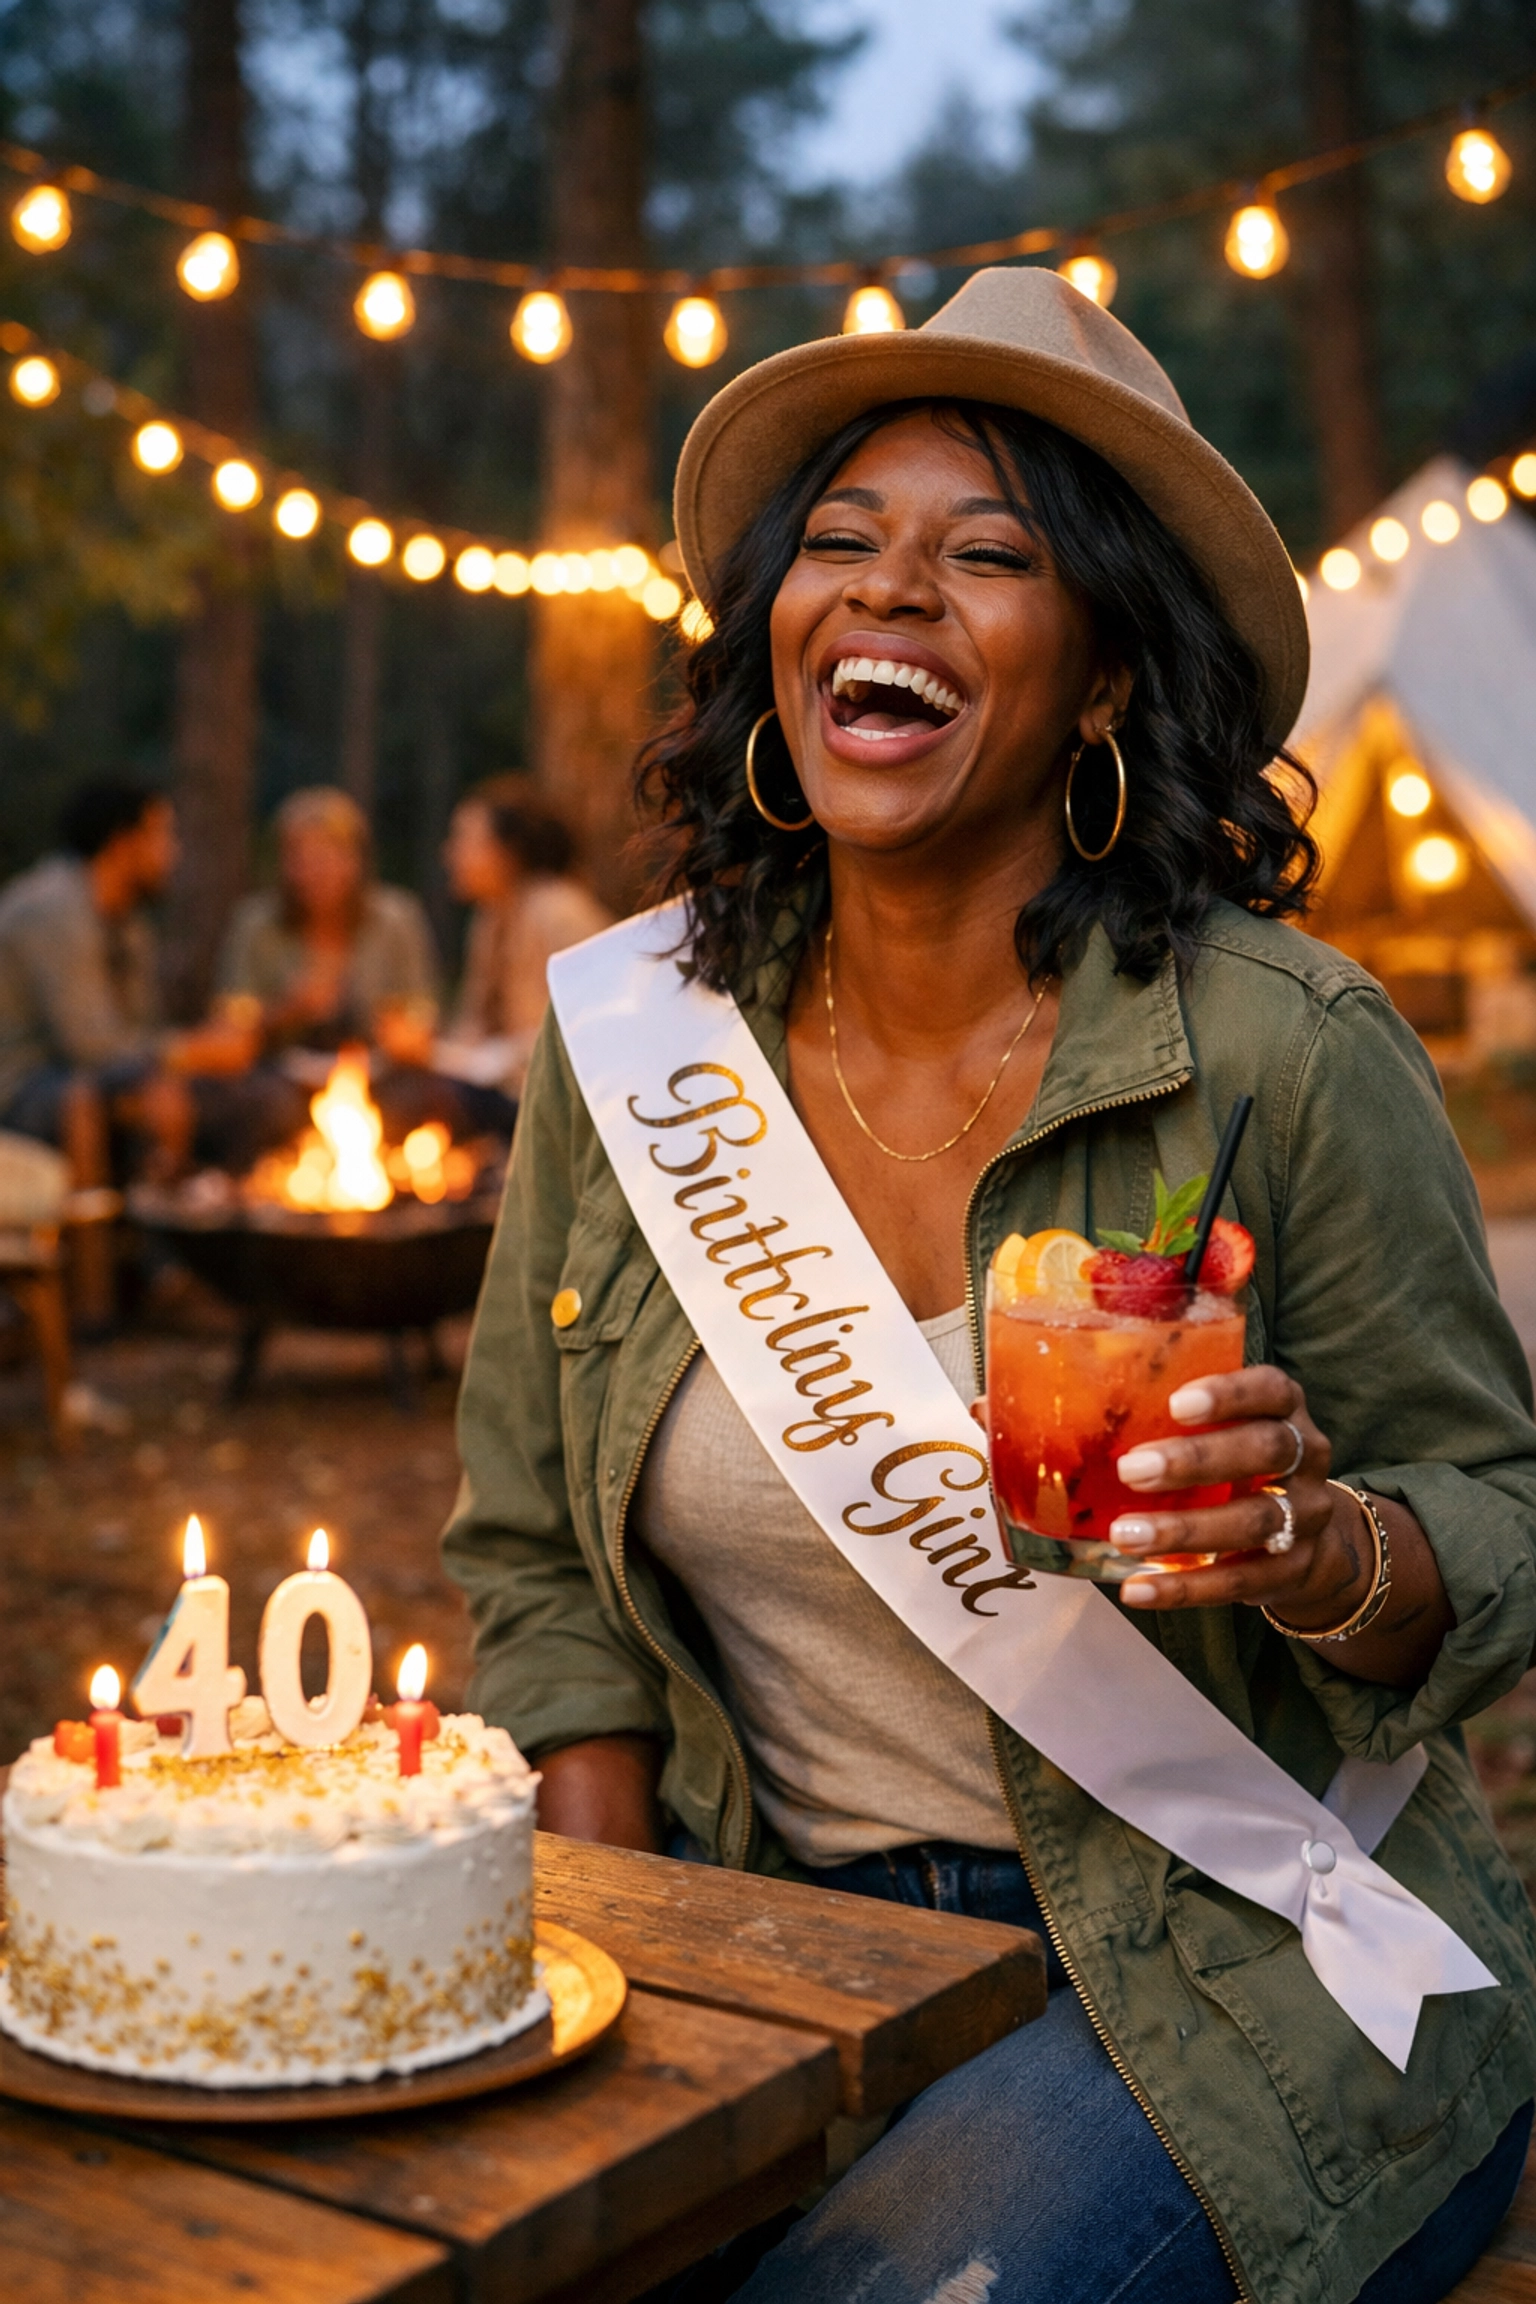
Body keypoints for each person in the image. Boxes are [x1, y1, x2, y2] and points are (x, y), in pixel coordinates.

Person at [443, 269, 1536, 2304]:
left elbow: (1504, 1528)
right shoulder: (631, 1057)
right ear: (777, 643)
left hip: (1231, 1948)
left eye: (991, 554)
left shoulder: (1284, 1048)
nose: (891, 594)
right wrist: (604, 1945)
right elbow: (537, 1566)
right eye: (840, 545)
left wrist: (1310, 1543)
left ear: (1104, 679)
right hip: (765, 1926)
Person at [0, 778, 251, 1178]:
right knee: (97, 1098)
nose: (174, 852)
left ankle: (178, 1221)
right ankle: (98, 1235)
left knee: (217, 1097)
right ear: (123, 843)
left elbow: (136, 1032)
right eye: (164, 835)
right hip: (20, 1084)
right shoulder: (52, 911)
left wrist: (180, 1057)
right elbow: (88, 1044)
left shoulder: (128, 923)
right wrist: (189, 1051)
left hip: (88, 1075)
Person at [217, 786, 440, 1063]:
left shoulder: (396, 919)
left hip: (379, 1071)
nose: (313, 873)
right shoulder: (257, 923)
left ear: (355, 860)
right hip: (279, 1072)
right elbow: (231, 1021)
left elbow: (421, 1010)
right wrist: (288, 1010)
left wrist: (402, 1029)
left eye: (325, 857)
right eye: (299, 859)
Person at [439, 776, 611, 1111]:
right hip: (516, 1086)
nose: (450, 853)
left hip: (567, 1098)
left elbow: (594, 1025)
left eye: (465, 839)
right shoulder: (493, 916)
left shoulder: (559, 911)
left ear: (508, 852)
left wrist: (493, 1056)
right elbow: (475, 1024)